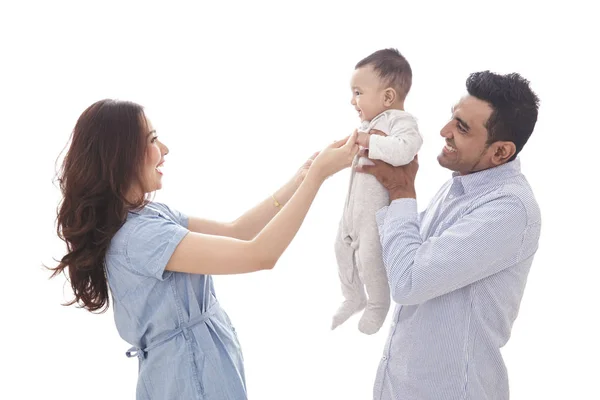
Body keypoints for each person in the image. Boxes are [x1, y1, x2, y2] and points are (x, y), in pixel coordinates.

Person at [49, 99, 358, 400]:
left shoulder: (149, 215)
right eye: (154, 140)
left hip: (199, 365)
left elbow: (237, 230)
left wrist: (303, 174)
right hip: (190, 375)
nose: (165, 150)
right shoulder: (142, 237)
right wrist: (318, 177)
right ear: (122, 154)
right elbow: (260, 254)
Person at [357, 71, 541, 400]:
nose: (444, 132)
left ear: (500, 152)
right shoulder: (461, 182)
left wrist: (401, 190)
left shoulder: (509, 209)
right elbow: (402, 256)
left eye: (462, 127)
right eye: (452, 117)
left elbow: (408, 281)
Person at [332, 48, 423, 335]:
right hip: (351, 209)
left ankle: (378, 303)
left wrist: (369, 141)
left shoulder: (401, 122)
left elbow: (406, 149)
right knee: (341, 249)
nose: (352, 100)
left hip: (375, 213)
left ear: (387, 97)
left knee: (370, 258)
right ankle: (353, 296)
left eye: (358, 92)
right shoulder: (366, 126)